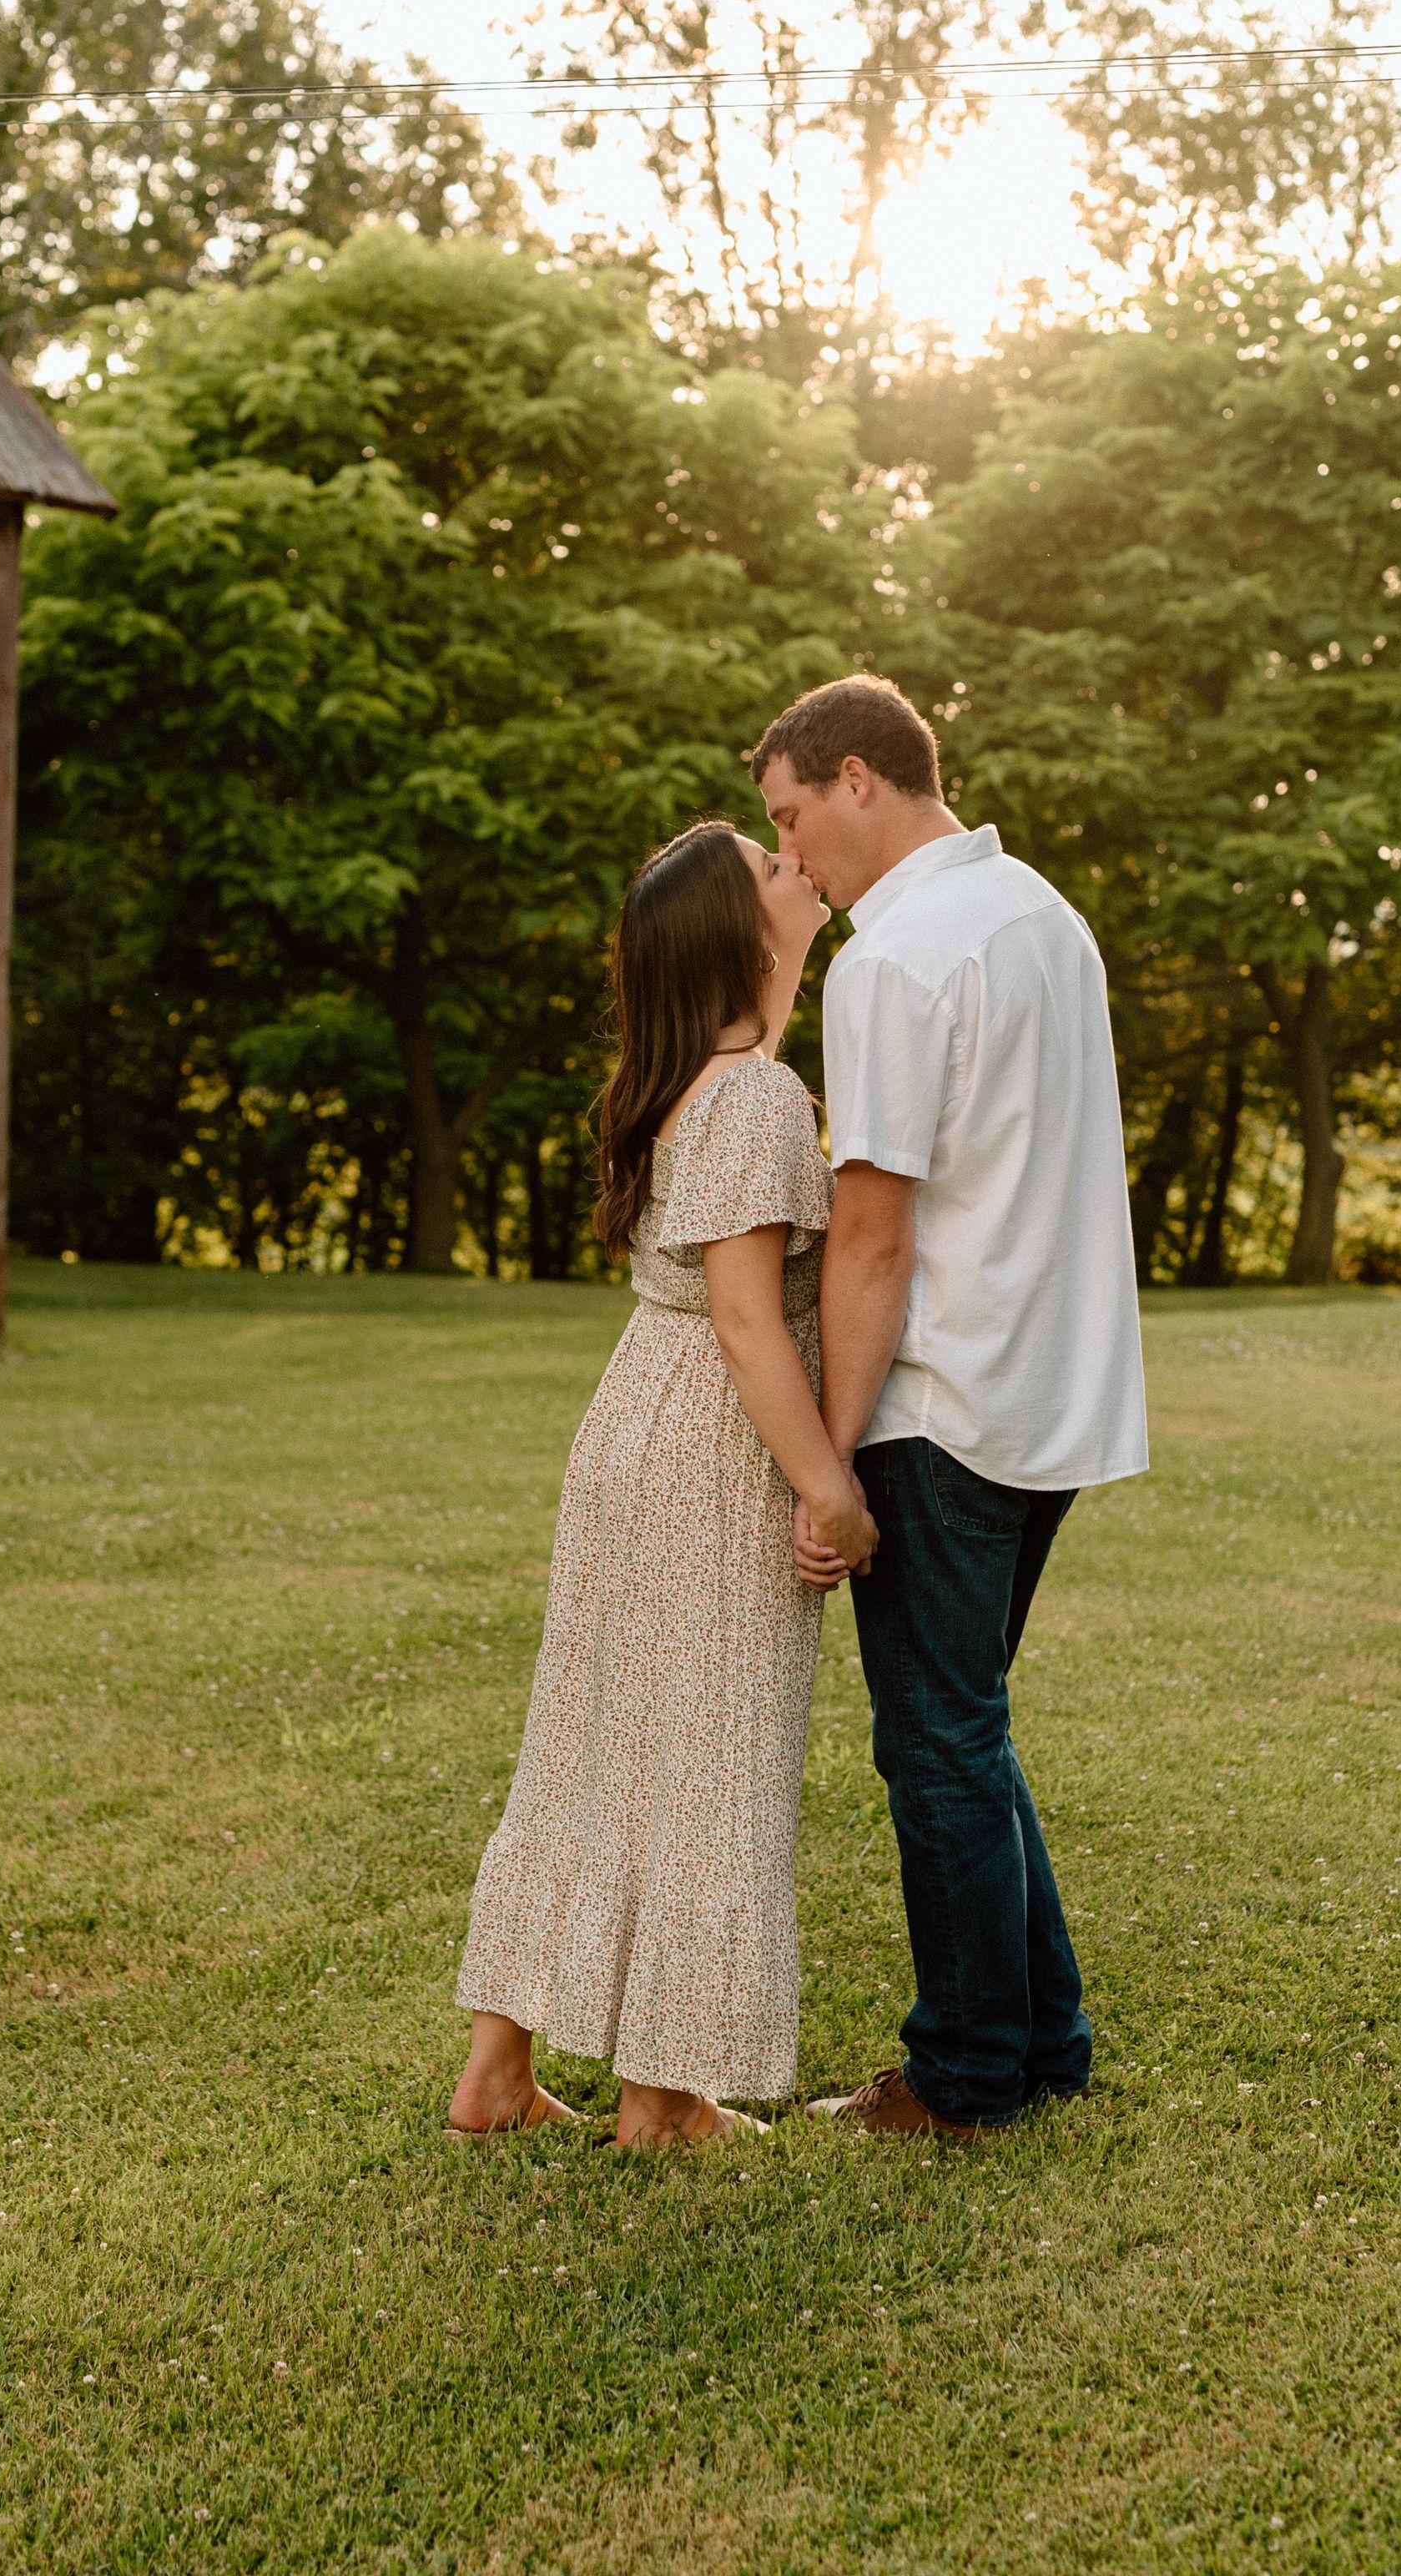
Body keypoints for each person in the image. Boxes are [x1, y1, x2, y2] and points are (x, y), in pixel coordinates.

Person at [752, 673, 1149, 2140]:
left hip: (948, 1399)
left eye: (794, 820)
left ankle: (969, 2074)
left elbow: (873, 1232)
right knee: (966, 1723)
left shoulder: (897, 956)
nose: (793, 862)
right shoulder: (1047, 916)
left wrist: (832, 1460)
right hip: (1054, 1390)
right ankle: (1045, 2040)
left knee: (935, 1740)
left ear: (859, 779)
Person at [449, 819, 875, 2150]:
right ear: (737, 934)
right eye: (768, 865)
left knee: (590, 1748)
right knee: (710, 1761)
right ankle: (666, 2097)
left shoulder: (682, 1081)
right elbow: (750, 1320)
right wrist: (831, 1492)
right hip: (708, 1452)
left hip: (634, 1428)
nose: (796, 862)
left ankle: (497, 2071)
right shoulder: (751, 1093)